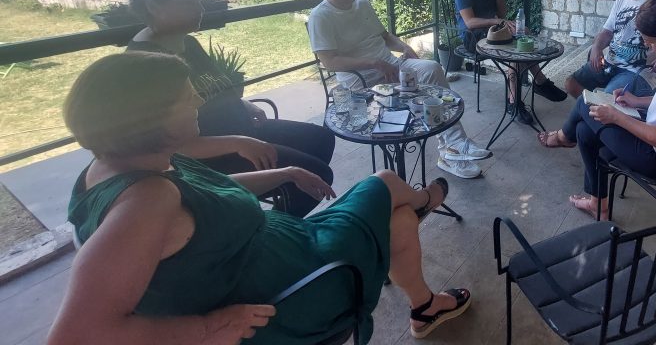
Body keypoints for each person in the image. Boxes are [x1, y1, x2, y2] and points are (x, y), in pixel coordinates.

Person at [48, 52, 472, 345]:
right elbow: (76, 335)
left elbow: (210, 194)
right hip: (299, 288)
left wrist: (285, 173)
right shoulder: (144, 201)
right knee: (383, 182)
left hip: (289, 252)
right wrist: (206, 328)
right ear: (148, 119)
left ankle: (424, 305)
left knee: (397, 218)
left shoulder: (126, 161)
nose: (198, 100)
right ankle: (423, 201)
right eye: (186, 97)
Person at [126, 0, 335, 218]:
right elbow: (174, 148)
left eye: (198, 0)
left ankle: (274, 208)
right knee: (320, 173)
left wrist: (243, 104)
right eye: (189, 2)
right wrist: (239, 143)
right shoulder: (146, 64)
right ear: (153, 6)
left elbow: (215, 87)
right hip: (208, 157)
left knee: (321, 139)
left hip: (241, 130)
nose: (200, 8)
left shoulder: (187, 42)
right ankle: (265, 226)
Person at [538, 0, 656, 220]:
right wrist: (637, 101)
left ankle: (563, 138)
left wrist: (618, 117)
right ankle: (598, 204)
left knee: (584, 104)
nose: (648, 47)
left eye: (651, 42)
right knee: (584, 130)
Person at [307, 0, 491, 179]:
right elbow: (329, 61)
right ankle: (443, 156)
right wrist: (374, 63)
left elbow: (385, 37)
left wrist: (404, 46)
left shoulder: (362, 4)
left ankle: (454, 146)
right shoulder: (321, 16)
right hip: (361, 82)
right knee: (412, 99)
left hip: (391, 67)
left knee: (432, 68)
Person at [455, 0, 567, 124]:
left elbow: (502, 13)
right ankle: (527, 90)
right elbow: (469, 22)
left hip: (492, 31)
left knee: (523, 33)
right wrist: (497, 21)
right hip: (472, 38)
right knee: (515, 41)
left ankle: (525, 91)